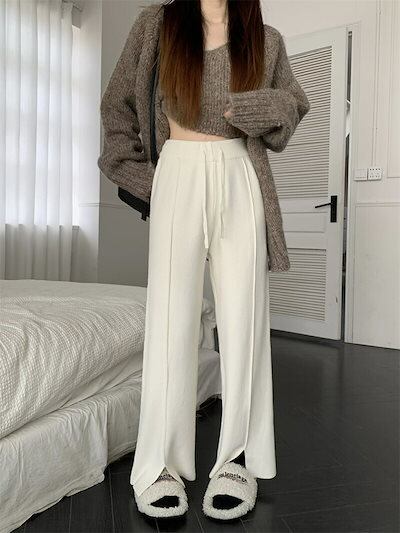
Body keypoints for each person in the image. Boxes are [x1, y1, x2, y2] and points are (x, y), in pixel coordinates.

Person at [98, 0, 310, 521]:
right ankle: (160, 464)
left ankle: (235, 461)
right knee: (170, 322)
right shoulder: (157, 24)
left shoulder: (266, 38)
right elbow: (117, 108)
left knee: (244, 324)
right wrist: (151, 182)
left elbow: (293, 105)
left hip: (241, 173)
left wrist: (266, 108)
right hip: (177, 171)